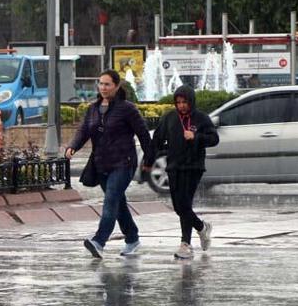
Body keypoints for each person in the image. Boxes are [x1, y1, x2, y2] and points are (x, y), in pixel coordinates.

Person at [66, 69, 152, 258]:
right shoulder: (93, 108)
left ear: (116, 86)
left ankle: (99, 241)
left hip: (123, 163)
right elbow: (83, 131)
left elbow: (143, 134)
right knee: (118, 203)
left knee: (110, 200)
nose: (103, 88)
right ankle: (132, 238)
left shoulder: (127, 108)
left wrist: (149, 159)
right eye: (101, 84)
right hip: (101, 164)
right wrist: (73, 147)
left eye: (107, 84)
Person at [147, 84, 219, 259]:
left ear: (191, 101)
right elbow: (157, 140)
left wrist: (196, 137)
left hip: (193, 167)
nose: (181, 106)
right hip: (173, 166)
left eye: (184, 102)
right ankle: (202, 227)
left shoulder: (201, 118)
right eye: (178, 102)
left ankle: (185, 244)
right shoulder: (170, 118)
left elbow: (214, 138)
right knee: (179, 206)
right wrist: (148, 161)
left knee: (185, 204)